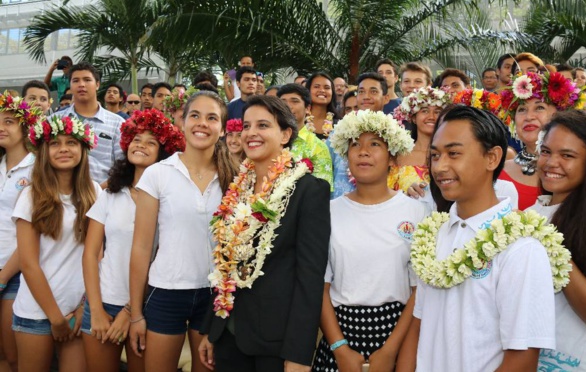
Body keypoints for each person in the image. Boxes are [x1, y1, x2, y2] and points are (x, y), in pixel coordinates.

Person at [397, 105, 570, 372]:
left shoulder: (521, 249)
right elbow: (418, 325)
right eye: (434, 155)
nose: (440, 167)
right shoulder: (433, 235)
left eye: (454, 153)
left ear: (492, 158)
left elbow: (522, 360)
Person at [198, 95, 330, 372]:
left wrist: (299, 354)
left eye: (262, 125)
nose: (251, 134)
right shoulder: (236, 189)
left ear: (285, 134)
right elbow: (225, 263)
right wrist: (212, 330)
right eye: (246, 126)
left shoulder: (308, 190)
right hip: (228, 334)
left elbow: (310, 277)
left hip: (276, 342)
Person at [128, 91, 237, 372]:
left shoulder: (235, 176)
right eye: (195, 116)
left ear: (223, 128)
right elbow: (141, 247)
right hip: (166, 292)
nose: (202, 123)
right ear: (182, 122)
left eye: (212, 118)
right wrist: (136, 314)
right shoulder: (158, 174)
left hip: (214, 296)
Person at [314, 109, 426, 371]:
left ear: (392, 157)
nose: (363, 152)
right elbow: (321, 287)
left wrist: (390, 350)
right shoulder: (328, 213)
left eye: (374, 144)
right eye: (355, 145)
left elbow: (419, 289)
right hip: (340, 336)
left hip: (398, 335)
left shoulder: (416, 212)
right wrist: (339, 348)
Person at [82, 109, 185, 372]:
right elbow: (91, 254)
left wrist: (130, 311)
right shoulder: (110, 195)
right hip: (102, 302)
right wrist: (95, 310)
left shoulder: (170, 202)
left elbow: (164, 257)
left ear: (164, 153)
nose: (140, 145)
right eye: (137, 139)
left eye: (151, 142)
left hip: (147, 308)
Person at [13, 115, 101, 372]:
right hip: (37, 313)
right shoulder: (31, 196)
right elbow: (28, 264)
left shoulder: (95, 192)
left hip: (78, 310)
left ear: (83, 149)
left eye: (71, 142)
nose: (64, 149)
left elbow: (98, 255)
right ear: (44, 151)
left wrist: (84, 307)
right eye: (55, 143)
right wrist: (55, 318)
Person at [530, 111, 586, 371]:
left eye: (567, 155)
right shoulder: (529, 215)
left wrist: (547, 243)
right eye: (546, 151)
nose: (550, 163)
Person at [0, 92, 43, 372]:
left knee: (13, 355)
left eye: (8, 121)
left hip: (16, 273)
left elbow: (36, 232)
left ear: (25, 126)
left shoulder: (39, 167)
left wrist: (3, 277)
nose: (1, 127)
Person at [498, 71, 585, 210]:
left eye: (539, 107)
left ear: (560, 114)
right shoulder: (498, 170)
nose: (529, 116)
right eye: (521, 110)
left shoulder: (578, 171)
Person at [48, 62, 125, 185]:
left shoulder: (117, 123)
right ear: (70, 85)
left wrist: (98, 192)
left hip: (104, 195)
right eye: (76, 80)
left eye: (87, 80)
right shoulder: (54, 121)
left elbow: (123, 166)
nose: (81, 84)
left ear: (97, 85)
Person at [389, 87, 451, 192]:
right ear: (413, 118)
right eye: (425, 111)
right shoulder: (397, 155)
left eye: (437, 111)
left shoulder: (452, 154)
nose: (431, 117)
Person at [277, 83, 333, 187]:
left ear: (308, 108)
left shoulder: (317, 147)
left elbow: (323, 190)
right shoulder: (269, 141)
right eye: (283, 102)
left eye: (294, 101)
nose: (288, 106)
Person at [305, 72, 340, 140]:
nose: (322, 90)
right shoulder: (299, 121)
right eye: (316, 87)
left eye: (327, 88)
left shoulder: (339, 125)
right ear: (308, 90)